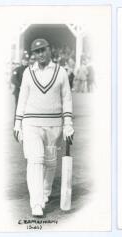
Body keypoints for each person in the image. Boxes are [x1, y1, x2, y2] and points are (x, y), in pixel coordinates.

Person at [13, 38, 74, 217]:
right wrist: (17, 124)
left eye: (43, 50)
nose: (40, 54)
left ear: (50, 50)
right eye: (36, 52)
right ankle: (37, 203)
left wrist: (68, 124)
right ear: (33, 54)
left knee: (50, 162)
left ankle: (45, 193)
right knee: (35, 159)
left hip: (54, 124)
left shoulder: (61, 72)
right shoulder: (27, 73)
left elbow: (67, 100)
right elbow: (22, 99)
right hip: (31, 123)